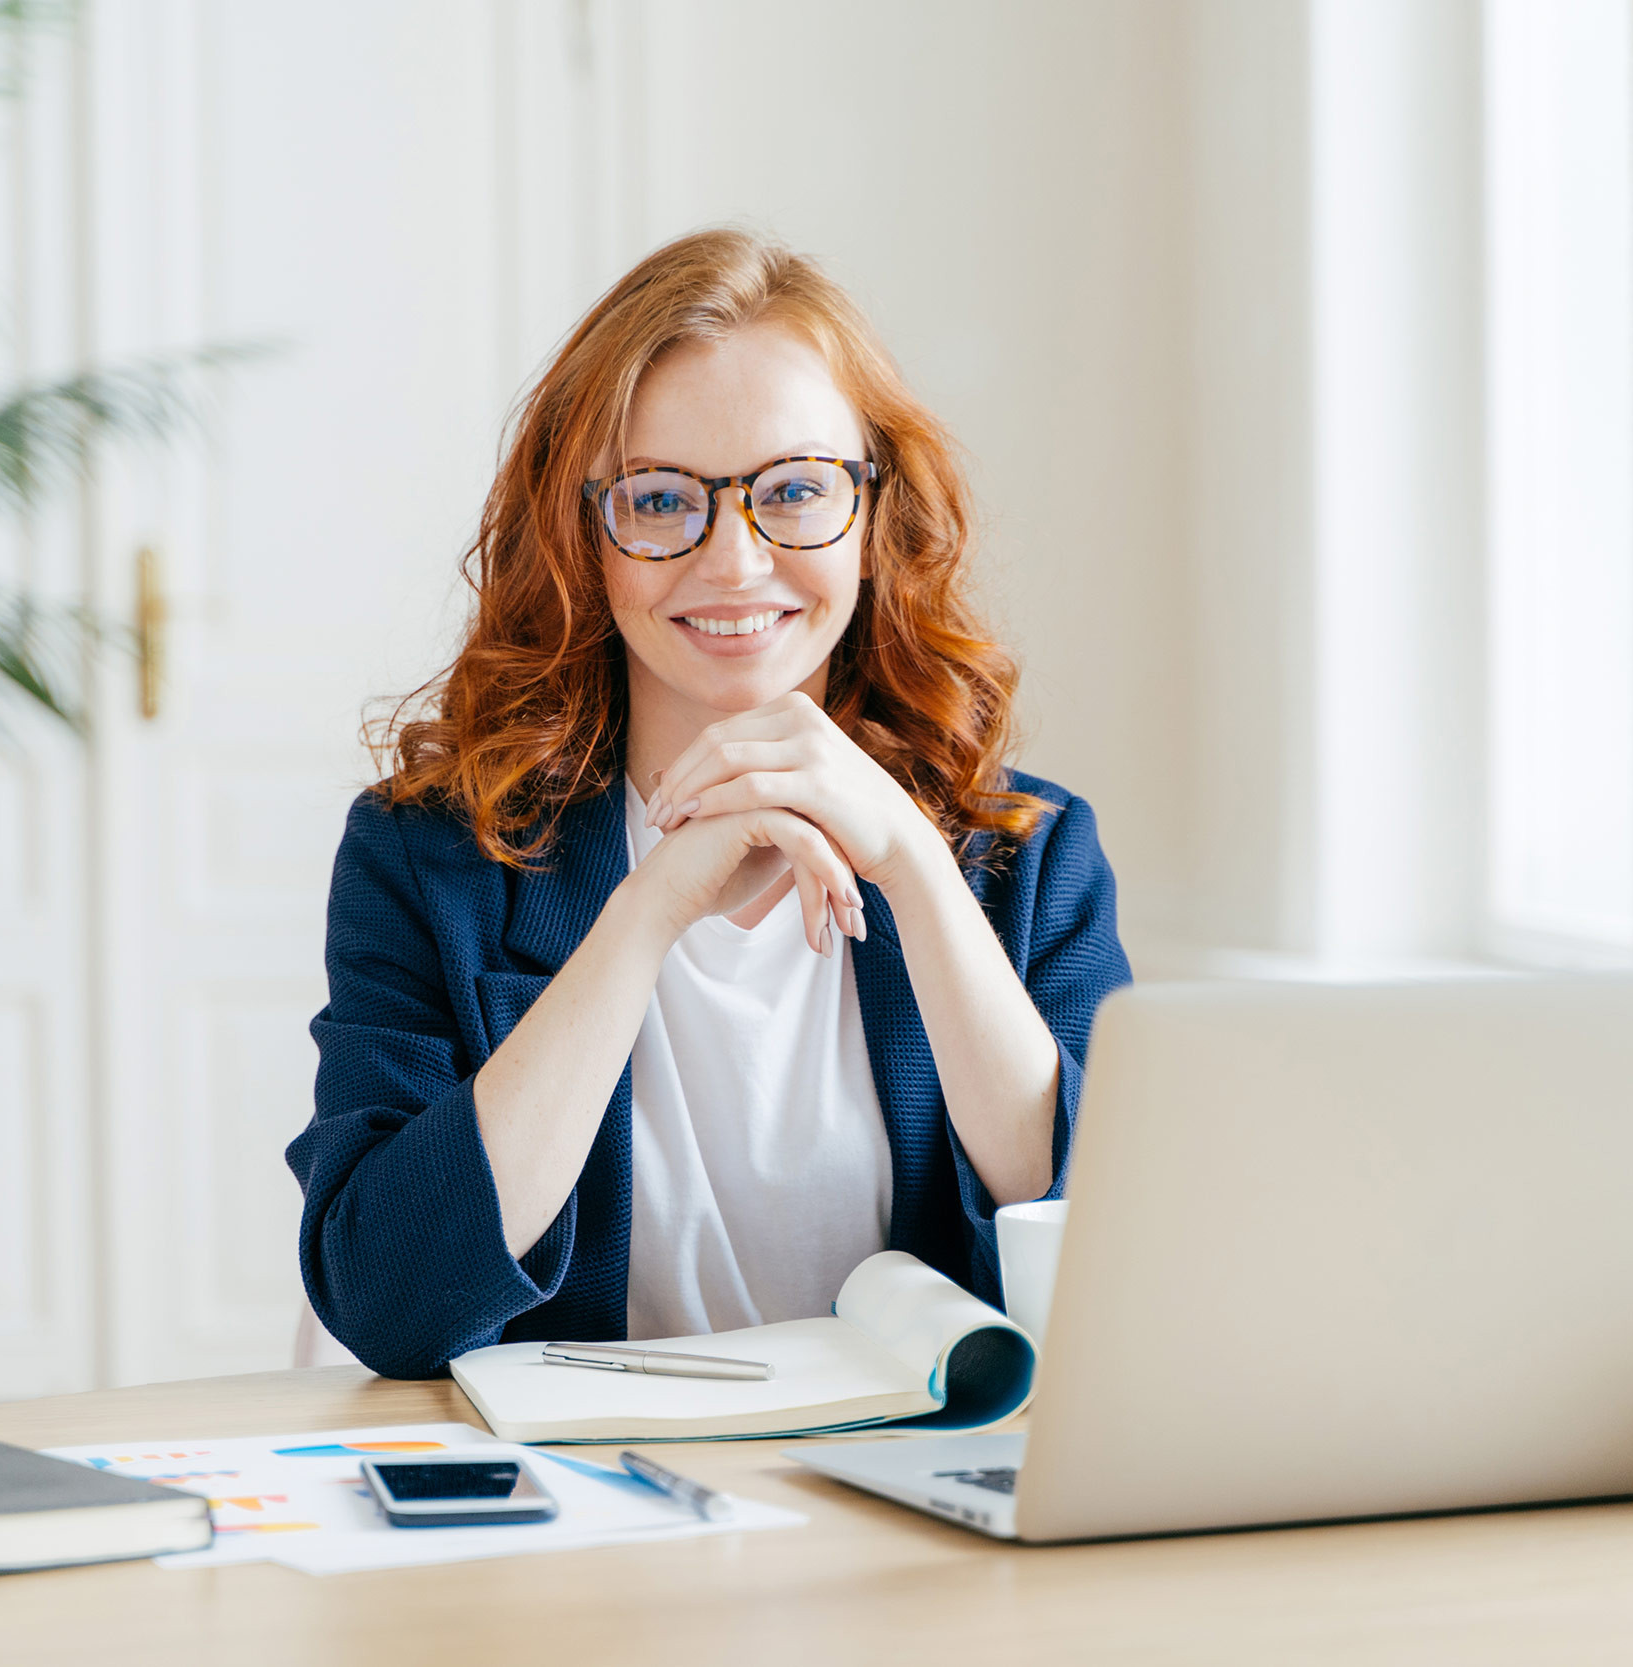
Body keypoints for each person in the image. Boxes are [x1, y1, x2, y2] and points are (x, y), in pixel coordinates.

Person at [288, 227, 1131, 1379]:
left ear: (876, 514)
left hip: (916, 1514)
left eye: (794, 490)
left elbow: (1118, 1267)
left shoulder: (1027, 854)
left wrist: (917, 872)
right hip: (581, 1526)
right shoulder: (425, 855)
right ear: (583, 534)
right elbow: (390, 1302)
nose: (733, 561)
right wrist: (645, 915)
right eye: (659, 499)